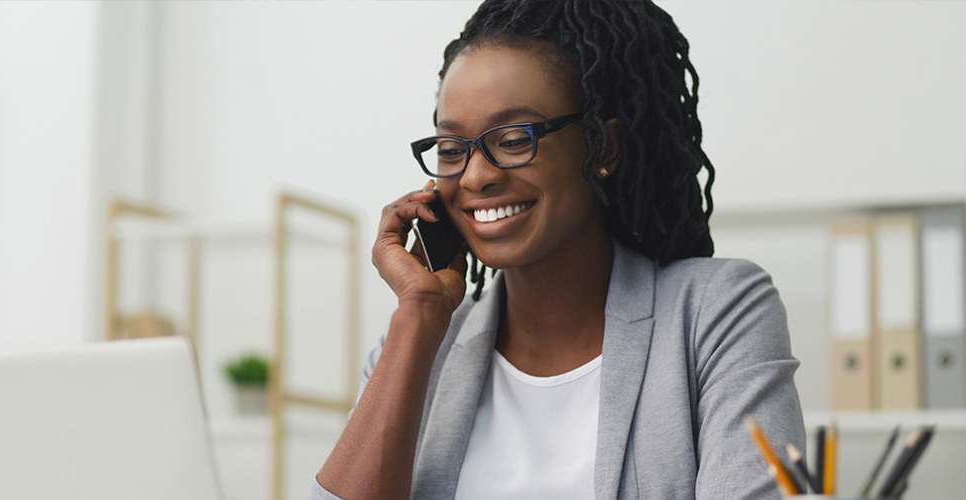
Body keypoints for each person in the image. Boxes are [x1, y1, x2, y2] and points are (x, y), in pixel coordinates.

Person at [312, 1, 804, 498]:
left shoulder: (715, 313)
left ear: (601, 147)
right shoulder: (417, 347)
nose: (478, 176)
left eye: (512, 138)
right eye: (451, 149)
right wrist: (418, 314)